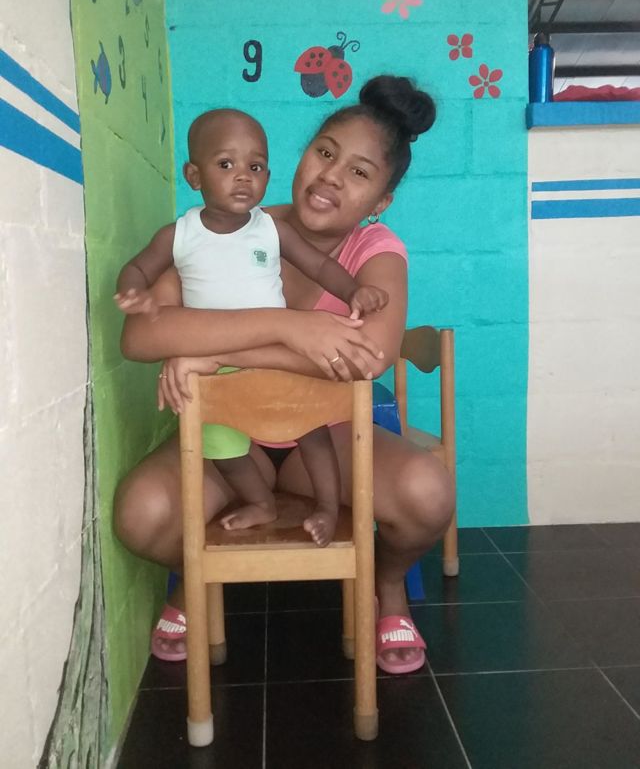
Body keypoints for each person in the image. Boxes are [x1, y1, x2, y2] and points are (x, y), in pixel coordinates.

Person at [114, 75, 454, 673]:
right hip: (225, 439)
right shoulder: (231, 221)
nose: (330, 176)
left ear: (380, 202)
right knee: (139, 515)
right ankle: (196, 578)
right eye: (325, 152)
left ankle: (387, 584)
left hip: (319, 441)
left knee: (429, 493)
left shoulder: (374, 250)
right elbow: (141, 335)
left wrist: (212, 350)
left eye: (359, 172)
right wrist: (289, 327)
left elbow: (369, 356)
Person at [114, 108, 388, 548]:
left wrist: (355, 290)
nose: (243, 176)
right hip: (217, 378)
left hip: (277, 363)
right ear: (194, 176)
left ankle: (327, 507)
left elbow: (320, 266)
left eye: (255, 167)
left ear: (267, 176)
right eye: (226, 164)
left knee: (313, 430)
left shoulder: (270, 230)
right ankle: (261, 502)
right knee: (220, 445)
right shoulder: (179, 236)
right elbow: (138, 268)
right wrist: (133, 291)